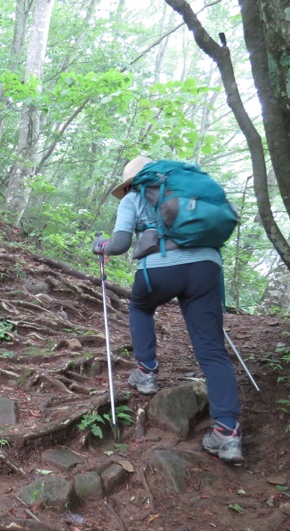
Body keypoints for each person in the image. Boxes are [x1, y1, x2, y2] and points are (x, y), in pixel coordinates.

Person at [92, 156, 243, 464]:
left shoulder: (133, 197)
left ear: (132, 181)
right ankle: (228, 435)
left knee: (141, 307)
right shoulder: (189, 192)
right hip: (206, 269)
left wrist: (101, 246)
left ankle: (146, 373)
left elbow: (120, 244)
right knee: (212, 351)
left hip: (159, 270)